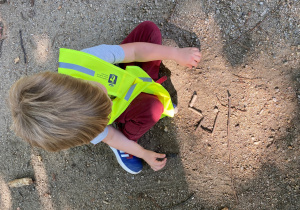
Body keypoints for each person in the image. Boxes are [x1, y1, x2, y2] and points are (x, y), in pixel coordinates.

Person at [8, 21, 201, 174]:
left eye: (99, 95)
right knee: (153, 107)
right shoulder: (84, 126)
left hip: (124, 78)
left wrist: (175, 53)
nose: (107, 101)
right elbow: (109, 135)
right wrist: (142, 152)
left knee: (149, 31)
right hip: (125, 101)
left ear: (76, 83)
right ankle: (128, 136)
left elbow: (134, 50)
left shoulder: (87, 61)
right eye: (103, 111)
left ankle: (145, 87)